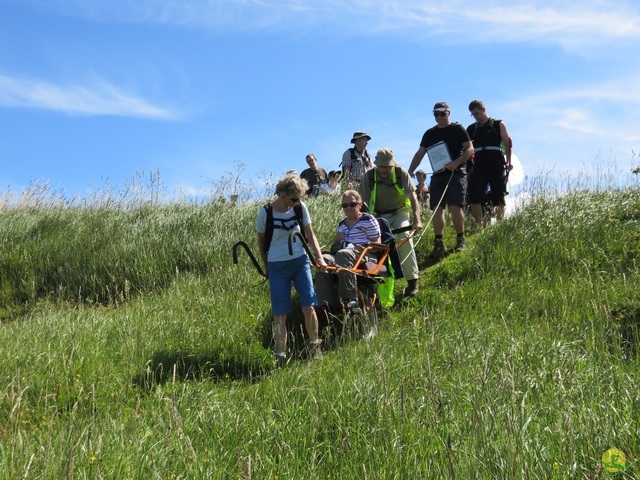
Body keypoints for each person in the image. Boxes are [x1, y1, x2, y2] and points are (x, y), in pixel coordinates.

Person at [255, 174, 328, 366]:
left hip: (300, 261)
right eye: (294, 198)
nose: (297, 201)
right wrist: (266, 266)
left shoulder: (300, 208)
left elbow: (310, 235)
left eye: (299, 197)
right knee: (280, 314)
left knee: (309, 306)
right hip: (277, 266)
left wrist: (318, 256)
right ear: (282, 195)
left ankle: (315, 348)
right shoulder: (266, 213)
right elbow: (261, 243)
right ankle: (281, 357)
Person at [408, 101, 474, 259]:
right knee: (436, 208)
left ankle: (460, 239)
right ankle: (439, 243)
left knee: (454, 206)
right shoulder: (429, 133)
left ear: (448, 113)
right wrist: (409, 171)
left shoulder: (457, 129)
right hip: (438, 174)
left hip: (456, 172)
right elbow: (419, 154)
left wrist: (456, 162)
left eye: (442, 114)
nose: (439, 117)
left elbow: (469, 149)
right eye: (436, 114)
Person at [359, 148, 422, 297]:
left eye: (388, 167)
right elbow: (363, 203)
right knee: (377, 246)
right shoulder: (368, 177)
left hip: (400, 211)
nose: (385, 170)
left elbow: (413, 198)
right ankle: (377, 288)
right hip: (379, 215)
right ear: (376, 165)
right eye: (382, 167)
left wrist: (417, 220)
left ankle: (412, 281)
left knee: (405, 237)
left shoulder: (401, 173)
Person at [314, 190, 382, 315]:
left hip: (364, 254)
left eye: (352, 204)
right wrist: (336, 239)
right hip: (343, 252)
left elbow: (378, 244)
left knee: (343, 254)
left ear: (360, 205)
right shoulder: (342, 224)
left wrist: (363, 248)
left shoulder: (368, 219)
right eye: (345, 205)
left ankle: (349, 301)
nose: (348, 208)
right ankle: (324, 305)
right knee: (323, 259)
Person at [467, 100, 513, 229]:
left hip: (496, 163)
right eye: (472, 114)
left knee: (499, 196)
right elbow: (466, 147)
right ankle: (479, 227)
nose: (475, 116)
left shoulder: (498, 124)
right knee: (474, 196)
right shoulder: (471, 129)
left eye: (476, 113)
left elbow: (507, 143)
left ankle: (499, 227)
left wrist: (509, 161)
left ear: (483, 109)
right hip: (479, 164)